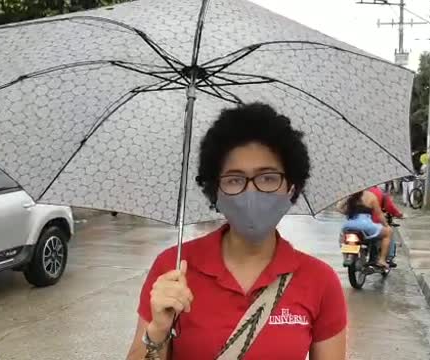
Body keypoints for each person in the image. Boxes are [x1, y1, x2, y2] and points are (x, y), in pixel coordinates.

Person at [126, 103, 347, 360]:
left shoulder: (321, 281)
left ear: (291, 187)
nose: (251, 193)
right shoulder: (173, 268)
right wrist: (158, 331)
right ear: (215, 191)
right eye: (234, 179)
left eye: (267, 177)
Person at [340, 190, 392, 269]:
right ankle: (382, 260)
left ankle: (346, 256)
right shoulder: (370, 196)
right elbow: (379, 214)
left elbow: (339, 208)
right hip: (366, 225)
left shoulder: (349, 196)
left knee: (343, 238)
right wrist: (386, 225)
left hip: (349, 225)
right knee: (388, 232)